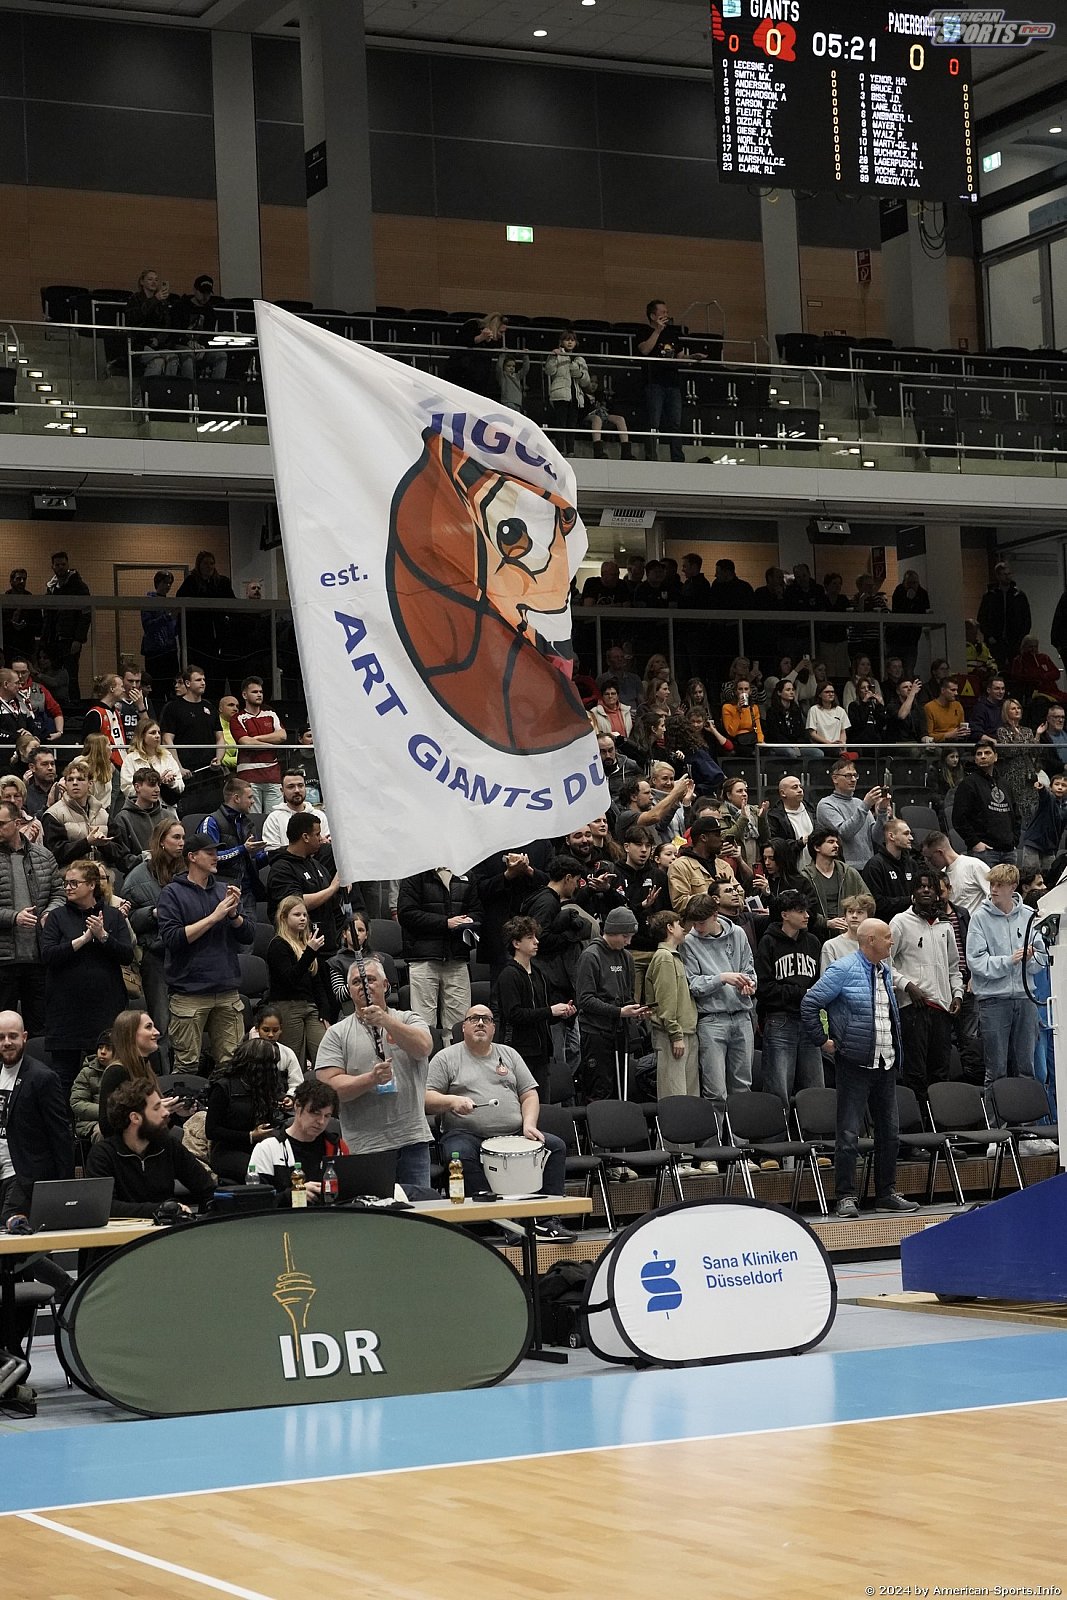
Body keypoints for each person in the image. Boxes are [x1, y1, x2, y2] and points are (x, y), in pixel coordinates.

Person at [800, 920, 919, 1219]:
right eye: (887, 937)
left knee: (889, 1134)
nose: (892, 941)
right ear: (870, 940)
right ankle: (845, 1196)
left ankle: (886, 1193)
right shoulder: (842, 969)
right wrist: (823, 1040)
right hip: (854, 1062)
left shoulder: (885, 970)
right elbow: (810, 1002)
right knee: (849, 1134)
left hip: (885, 1061)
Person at [424, 1006, 574, 1238]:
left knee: (554, 1146)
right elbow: (426, 1098)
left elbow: (529, 1094)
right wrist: (452, 1101)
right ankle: (503, 1222)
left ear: (494, 1028)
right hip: (466, 1134)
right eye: (474, 1019)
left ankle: (546, 1220)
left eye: (486, 1019)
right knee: (459, 1153)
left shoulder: (509, 1054)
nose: (480, 1023)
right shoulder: (446, 1057)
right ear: (463, 1027)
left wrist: (529, 1124)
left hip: (513, 1132)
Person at [315, 956, 434, 1190]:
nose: (364, 986)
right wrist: (370, 1079)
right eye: (357, 982)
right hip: (364, 1146)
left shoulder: (408, 1019)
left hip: (412, 1141)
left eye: (370, 979)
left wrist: (387, 1021)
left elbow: (423, 1048)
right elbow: (329, 1090)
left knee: (421, 1207)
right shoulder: (336, 1034)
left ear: (385, 985)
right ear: (349, 991)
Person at [156, 834, 254, 1073]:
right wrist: (214, 917)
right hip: (189, 992)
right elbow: (173, 939)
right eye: (209, 852)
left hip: (226, 989)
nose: (215, 857)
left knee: (231, 1065)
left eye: (216, 852)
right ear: (192, 857)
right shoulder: (172, 893)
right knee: (187, 1065)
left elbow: (248, 935)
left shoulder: (224, 891)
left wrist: (233, 915)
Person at [39, 858, 135, 1094]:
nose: (68, 888)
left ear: (92, 885)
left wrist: (103, 936)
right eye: (66, 883)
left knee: (108, 1079)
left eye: (74, 883)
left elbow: (126, 955)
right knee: (64, 1079)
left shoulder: (112, 916)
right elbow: (48, 955)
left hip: (104, 1012)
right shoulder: (56, 917)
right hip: (66, 1015)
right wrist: (82, 940)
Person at [681, 890, 756, 1133]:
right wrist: (721, 978)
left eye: (701, 922)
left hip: (742, 1016)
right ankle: (713, 1148)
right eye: (694, 923)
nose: (697, 928)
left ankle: (741, 1146)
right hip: (712, 1020)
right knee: (715, 1092)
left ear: (715, 915)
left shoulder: (738, 934)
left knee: (742, 1088)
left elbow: (750, 970)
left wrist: (749, 985)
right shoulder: (689, 942)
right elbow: (693, 984)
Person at [966, 863, 1045, 1093]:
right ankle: (995, 1116)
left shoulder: (1029, 916)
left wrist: (1029, 959)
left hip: (1025, 998)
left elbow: (1041, 958)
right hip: (993, 1000)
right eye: (992, 884)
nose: (994, 889)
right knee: (996, 1071)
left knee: (1026, 1069)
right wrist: (1009, 960)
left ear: (1013, 886)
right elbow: (976, 962)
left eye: (1000, 884)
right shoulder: (979, 918)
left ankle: (1027, 1116)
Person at [85, 1078, 214, 1217]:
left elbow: (206, 1188)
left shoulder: (168, 1146)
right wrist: (160, 1209)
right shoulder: (103, 1154)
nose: (165, 1113)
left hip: (167, 1227)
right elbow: (105, 1206)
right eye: (157, 1108)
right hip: (123, 1229)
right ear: (135, 1118)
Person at [890, 870, 963, 1104]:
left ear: (938, 893)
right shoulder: (900, 922)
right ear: (913, 892)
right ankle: (919, 1121)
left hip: (942, 1009)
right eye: (921, 886)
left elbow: (954, 967)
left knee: (941, 1072)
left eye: (931, 887)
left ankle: (939, 1121)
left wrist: (958, 994)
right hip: (914, 1007)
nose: (926, 890)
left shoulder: (945, 925)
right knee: (916, 1072)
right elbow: (884, 963)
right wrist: (907, 985)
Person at [754, 888, 824, 1110]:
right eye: (800, 911)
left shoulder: (813, 942)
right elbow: (764, 988)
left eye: (806, 911)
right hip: (780, 1019)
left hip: (809, 1018)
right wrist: (801, 993)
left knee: (816, 1088)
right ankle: (778, 1132)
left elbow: (818, 982)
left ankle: (817, 1131)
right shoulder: (768, 942)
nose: (807, 916)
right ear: (784, 914)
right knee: (778, 1088)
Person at [491, 916, 574, 1102]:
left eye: (536, 936)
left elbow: (543, 1013)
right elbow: (514, 1014)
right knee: (522, 1103)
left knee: (542, 1104)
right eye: (530, 937)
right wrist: (550, 1011)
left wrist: (561, 1014)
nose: (536, 941)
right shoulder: (509, 975)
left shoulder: (538, 974)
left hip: (541, 1052)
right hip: (519, 1052)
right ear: (516, 943)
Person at [0, 800, 63, 1035]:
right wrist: (14, 917)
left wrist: (49, 912)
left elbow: (59, 893)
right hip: (4, 959)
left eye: (1, 824)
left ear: (17, 823)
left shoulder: (43, 856)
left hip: (38, 957)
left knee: (39, 1029)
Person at [573, 905, 647, 1102]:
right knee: (600, 1088)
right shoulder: (591, 956)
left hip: (620, 1032)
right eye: (625, 936)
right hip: (596, 1032)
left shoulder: (626, 957)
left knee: (620, 1087)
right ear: (612, 931)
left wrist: (635, 1011)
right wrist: (619, 1011)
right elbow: (585, 1000)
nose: (628, 941)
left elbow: (628, 995)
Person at [122, 817, 185, 1037]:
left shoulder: (188, 870)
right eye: (176, 837)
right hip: (156, 955)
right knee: (161, 1021)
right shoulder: (137, 877)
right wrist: (154, 913)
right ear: (161, 841)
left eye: (183, 838)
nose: (181, 843)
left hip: (186, 953)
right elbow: (129, 918)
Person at [247, 1078, 348, 1200]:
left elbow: (350, 1191)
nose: (321, 1122)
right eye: (315, 1113)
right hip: (284, 1211)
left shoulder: (338, 1148)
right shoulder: (268, 1149)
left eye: (327, 1116)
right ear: (297, 1106)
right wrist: (292, 1195)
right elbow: (256, 1200)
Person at [204, 1037, 288, 1183]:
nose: (274, 1068)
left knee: (286, 1170)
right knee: (262, 1173)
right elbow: (212, 1130)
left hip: (262, 1146)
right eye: (271, 1064)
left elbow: (269, 1122)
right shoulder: (223, 1087)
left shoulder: (265, 1086)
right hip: (228, 1151)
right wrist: (249, 1136)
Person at [266, 896, 332, 1066]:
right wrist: (310, 952)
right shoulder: (278, 945)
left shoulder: (307, 944)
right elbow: (289, 979)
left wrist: (324, 1011)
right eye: (297, 915)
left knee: (325, 1052)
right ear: (284, 917)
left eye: (304, 915)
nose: (303, 918)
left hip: (310, 1006)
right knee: (294, 1060)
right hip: (288, 1005)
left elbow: (317, 982)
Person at [266, 815, 345, 953]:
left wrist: (341, 889)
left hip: (328, 945)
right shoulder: (281, 869)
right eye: (317, 834)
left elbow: (331, 899)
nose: (321, 838)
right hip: (299, 950)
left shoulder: (316, 865)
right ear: (305, 837)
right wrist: (332, 888)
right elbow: (295, 903)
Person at [203, 775, 267, 921]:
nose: (253, 801)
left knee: (249, 933)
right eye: (249, 797)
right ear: (236, 798)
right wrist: (242, 849)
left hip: (247, 892)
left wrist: (272, 854)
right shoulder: (212, 822)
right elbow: (207, 859)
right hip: (221, 892)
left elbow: (255, 862)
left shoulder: (248, 823)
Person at [175, 553, 235, 701]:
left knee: (217, 675)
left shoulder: (222, 582)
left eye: (211, 563)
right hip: (197, 639)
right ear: (199, 565)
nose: (209, 566)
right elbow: (180, 603)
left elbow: (232, 604)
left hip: (219, 638)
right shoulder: (191, 582)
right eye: (205, 563)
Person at [950, 740, 1018, 867]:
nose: (983, 756)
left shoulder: (1005, 784)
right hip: (984, 852)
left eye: (987, 753)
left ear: (995, 757)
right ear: (975, 759)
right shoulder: (968, 784)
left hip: (1009, 851)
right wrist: (975, 843)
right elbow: (959, 818)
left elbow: (1015, 815)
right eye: (979, 754)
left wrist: (1014, 841)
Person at [637, 299, 690, 462]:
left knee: (675, 423)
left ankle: (677, 457)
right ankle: (651, 456)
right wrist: (657, 331)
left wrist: (692, 357)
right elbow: (644, 350)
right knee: (653, 421)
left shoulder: (672, 333)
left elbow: (680, 356)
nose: (666, 315)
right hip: (654, 382)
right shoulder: (643, 331)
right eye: (663, 312)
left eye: (667, 312)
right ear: (653, 316)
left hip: (673, 383)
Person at [94, 1007, 162, 1131]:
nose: (157, 1032)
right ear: (130, 1034)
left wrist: (173, 1112)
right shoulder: (116, 1072)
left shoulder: (146, 1066)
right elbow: (107, 1126)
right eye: (148, 1027)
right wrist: (154, 1112)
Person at [815, 759, 890, 869]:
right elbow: (845, 833)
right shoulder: (826, 805)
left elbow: (877, 838)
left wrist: (882, 812)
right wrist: (866, 806)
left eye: (855, 775)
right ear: (835, 778)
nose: (853, 779)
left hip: (868, 866)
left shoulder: (859, 803)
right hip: (844, 868)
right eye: (848, 776)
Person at [39, 551, 90, 701]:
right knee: (52, 673)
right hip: (53, 639)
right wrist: (44, 639)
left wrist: (78, 639)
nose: (60, 567)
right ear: (52, 567)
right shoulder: (52, 587)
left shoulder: (79, 586)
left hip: (69, 639)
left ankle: (73, 705)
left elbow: (86, 614)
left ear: (68, 565)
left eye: (63, 564)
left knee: (71, 675)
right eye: (57, 565)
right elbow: (48, 615)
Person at [231, 676, 286, 814]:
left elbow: (282, 736)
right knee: (252, 819)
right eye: (255, 692)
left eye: (260, 691)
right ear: (244, 695)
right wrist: (271, 743)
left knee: (275, 818)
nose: (259, 694)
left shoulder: (271, 714)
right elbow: (245, 742)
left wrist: (257, 738)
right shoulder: (237, 718)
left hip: (273, 775)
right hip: (248, 777)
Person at [803, 829, 869, 940]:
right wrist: (826, 923)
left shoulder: (848, 872)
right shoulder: (806, 877)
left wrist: (853, 916)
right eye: (830, 842)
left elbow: (868, 900)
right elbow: (802, 910)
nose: (836, 845)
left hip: (848, 933)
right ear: (817, 847)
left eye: (837, 842)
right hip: (817, 935)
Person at [160, 666, 223, 775]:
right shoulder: (173, 707)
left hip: (210, 769)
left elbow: (220, 737)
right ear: (188, 683)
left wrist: (219, 759)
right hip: (186, 769)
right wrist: (178, 767)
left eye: (204, 679)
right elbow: (167, 740)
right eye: (198, 680)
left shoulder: (210, 707)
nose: (203, 683)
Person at [110, 768, 175, 874]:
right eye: (152, 785)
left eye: (158, 785)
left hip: (170, 874)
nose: (157, 790)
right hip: (140, 876)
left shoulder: (168, 816)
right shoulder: (122, 819)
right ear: (137, 787)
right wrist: (146, 857)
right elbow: (122, 860)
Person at [862, 818, 920, 923]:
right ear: (891, 836)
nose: (911, 838)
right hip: (885, 924)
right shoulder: (875, 866)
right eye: (906, 834)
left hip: (912, 923)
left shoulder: (911, 864)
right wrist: (909, 900)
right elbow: (876, 903)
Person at [545, 329, 594, 454]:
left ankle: (571, 451)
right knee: (561, 423)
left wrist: (577, 371)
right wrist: (552, 357)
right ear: (561, 342)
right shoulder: (557, 355)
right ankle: (560, 450)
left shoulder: (580, 359)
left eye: (572, 340)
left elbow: (586, 381)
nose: (570, 342)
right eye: (567, 340)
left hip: (576, 396)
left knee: (572, 425)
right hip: (560, 394)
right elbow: (549, 371)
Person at [977, 561, 1031, 670]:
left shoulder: (1019, 595)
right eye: (1004, 574)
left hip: (1014, 641)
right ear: (998, 576)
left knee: (1015, 668)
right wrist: (989, 635)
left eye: (1009, 574)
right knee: (996, 667)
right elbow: (982, 617)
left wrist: (1021, 638)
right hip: (995, 641)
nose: (1007, 577)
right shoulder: (990, 596)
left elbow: (1026, 619)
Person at [920, 831, 991, 914]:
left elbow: (992, 896)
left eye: (930, 858)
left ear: (940, 852)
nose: (929, 862)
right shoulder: (941, 875)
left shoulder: (974, 866)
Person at [119, 717, 184, 805]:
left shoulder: (167, 756)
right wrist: (155, 783)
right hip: (141, 809)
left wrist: (171, 783)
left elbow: (181, 786)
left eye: (159, 732)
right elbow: (127, 789)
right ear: (142, 736)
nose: (157, 736)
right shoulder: (131, 759)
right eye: (153, 733)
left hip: (167, 807)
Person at [261, 771, 330, 854]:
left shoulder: (320, 815)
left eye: (300, 786)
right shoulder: (274, 819)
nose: (297, 790)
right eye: (291, 787)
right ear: (282, 791)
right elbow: (271, 852)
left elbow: (327, 843)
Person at [70, 1029, 113, 1141]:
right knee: (102, 1132)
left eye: (108, 1048)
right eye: (100, 1048)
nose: (102, 1052)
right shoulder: (87, 1072)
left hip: (119, 1119)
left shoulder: (125, 1071)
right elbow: (77, 1103)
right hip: (90, 1122)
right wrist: (105, 1112)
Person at [140, 570, 180, 687]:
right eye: (165, 582)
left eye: (170, 583)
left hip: (169, 650)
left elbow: (174, 629)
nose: (168, 586)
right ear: (157, 583)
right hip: (155, 651)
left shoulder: (170, 603)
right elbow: (148, 626)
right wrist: (167, 617)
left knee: (171, 684)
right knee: (156, 685)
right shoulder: (149, 602)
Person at [10, 657, 63, 742]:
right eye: (16, 672)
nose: (20, 676)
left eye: (23, 672)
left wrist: (59, 732)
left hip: (40, 736)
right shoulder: (6, 690)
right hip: (16, 738)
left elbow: (56, 711)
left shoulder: (40, 688)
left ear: (29, 672)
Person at [820, 892, 876, 972]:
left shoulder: (878, 944)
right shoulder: (831, 946)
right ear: (845, 916)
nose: (854, 916)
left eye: (859, 912)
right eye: (850, 911)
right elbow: (827, 977)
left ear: (869, 916)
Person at [1, 570, 41, 664]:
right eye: (19, 579)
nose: (22, 581)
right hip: (8, 647)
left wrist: (25, 625)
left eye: (24, 579)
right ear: (11, 581)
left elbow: (39, 625)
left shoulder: (31, 600)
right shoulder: (4, 601)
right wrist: (11, 624)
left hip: (26, 647)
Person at [767, 775, 814, 844]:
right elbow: (777, 844)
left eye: (800, 786)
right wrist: (800, 843)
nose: (800, 790)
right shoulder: (774, 817)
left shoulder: (810, 809)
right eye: (795, 787)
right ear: (783, 793)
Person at [805, 683, 850, 754]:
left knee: (858, 750)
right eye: (827, 692)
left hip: (837, 745)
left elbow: (843, 731)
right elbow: (812, 733)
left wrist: (842, 744)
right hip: (822, 745)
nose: (831, 694)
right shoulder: (814, 710)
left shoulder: (840, 710)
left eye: (832, 692)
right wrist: (829, 743)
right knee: (835, 752)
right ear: (819, 695)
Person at [720, 677, 763, 748]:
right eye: (740, 689)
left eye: (746, 689)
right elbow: (731, 733)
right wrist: (738, 711)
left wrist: (761, 743)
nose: (743, 692)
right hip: (736, 742)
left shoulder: (754, 707)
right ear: (735, 692)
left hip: (752, 740)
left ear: (750, 692)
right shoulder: (727, 707)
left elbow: (758, 729)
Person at [923, 678, 969, 744]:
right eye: (953, 690)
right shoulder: (929, 707)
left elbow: (961, 727)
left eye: (956, 690)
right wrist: (948, 735)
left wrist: (963, 732)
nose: (956, 693)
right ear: (943, 690)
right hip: (938, 744)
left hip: (956, 742)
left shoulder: (957, 705)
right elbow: (928, 735)